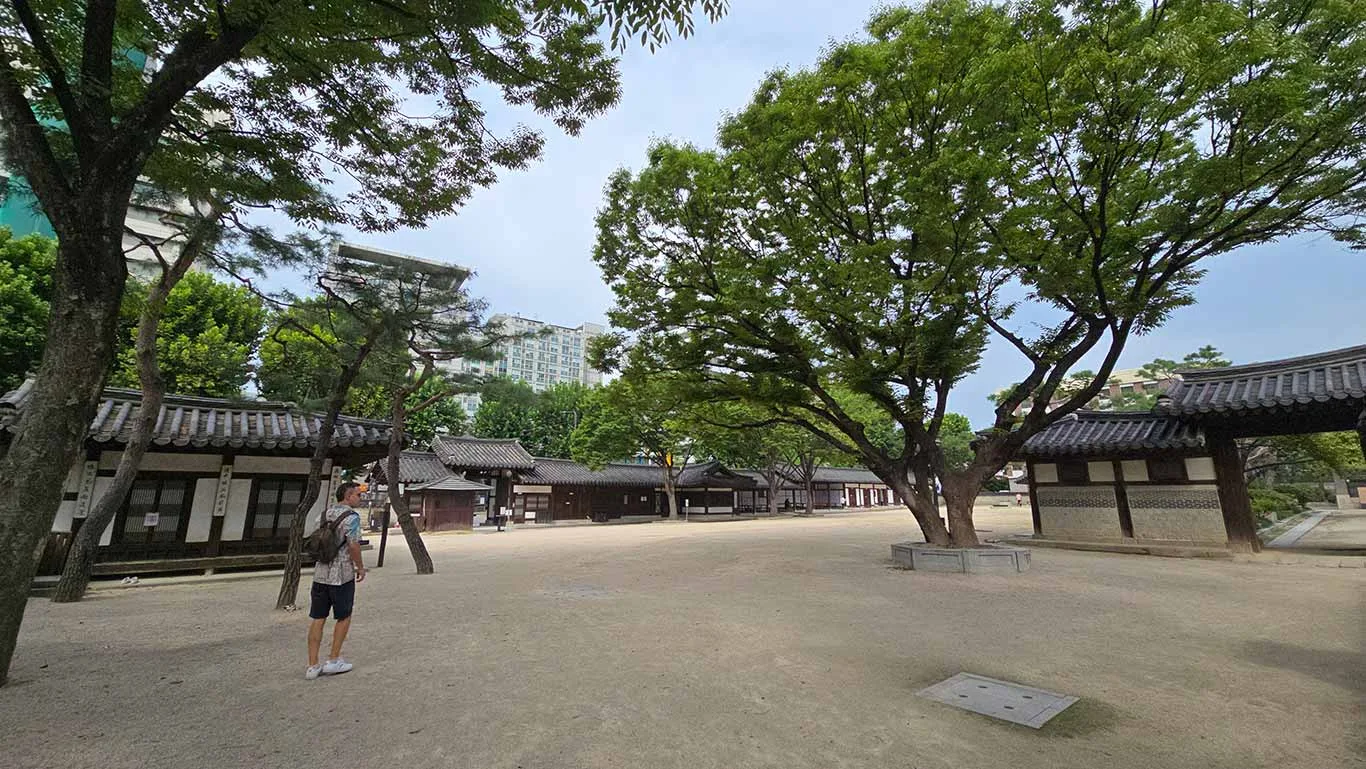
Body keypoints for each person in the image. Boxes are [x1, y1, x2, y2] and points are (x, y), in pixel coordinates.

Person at [305, 481, 367, 680]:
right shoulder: (352, 518)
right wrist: (360, 566)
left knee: (318, 617)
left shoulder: (322, 515)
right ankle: (333, 660)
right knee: (343, 616)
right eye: (358, 495)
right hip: (341, 574)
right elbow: (354, 545)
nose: (360, 498)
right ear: (349, 496)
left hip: (320, 573)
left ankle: (313, 665)